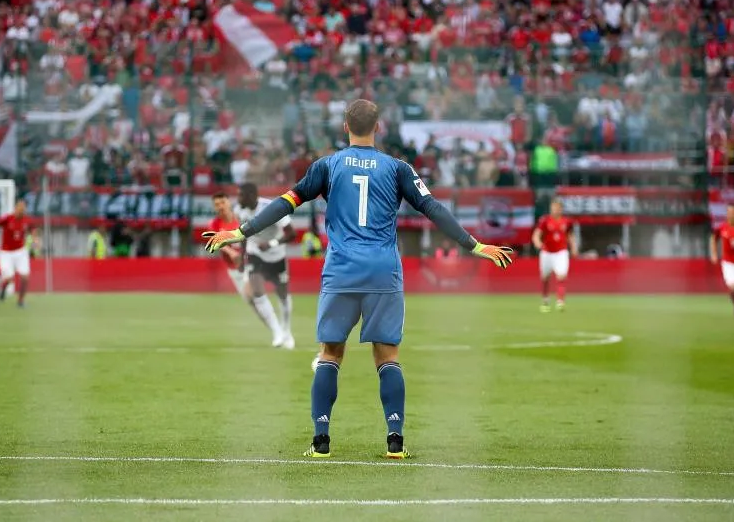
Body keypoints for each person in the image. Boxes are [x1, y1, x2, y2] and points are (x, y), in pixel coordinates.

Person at [203, 99, 514, 459]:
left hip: (342, 271)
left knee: (330, 353)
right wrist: (473, 245)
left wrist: (240, 232)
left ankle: (321, 441)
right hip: (383, 271)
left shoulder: (327, 166)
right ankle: (394, 439)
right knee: (388, 355)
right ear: (378, 127)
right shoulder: (398, 168)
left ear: (345, 127)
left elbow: (285, 204)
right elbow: (433, 208)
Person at [235, 183, 297, 350]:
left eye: (241, 195)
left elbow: (292, 234)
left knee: (283, 295)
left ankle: (286, 331)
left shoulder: (272, 208)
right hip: (255, 254)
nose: (238, 199)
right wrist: (242, 258)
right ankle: (276, 332)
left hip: (276, 256)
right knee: (256, 291)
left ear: (251, 196)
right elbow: (243, 235)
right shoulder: (240, 211)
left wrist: (271, 243)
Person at [0, 200, 40, 308]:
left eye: (24, 208)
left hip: (21, 252)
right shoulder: (7, 218)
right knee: (10, 277)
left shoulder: (26, 220)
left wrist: (35, 240)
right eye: (21, 208)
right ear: (16, 208)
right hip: (6, 253)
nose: (22, 210)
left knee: (25, 277)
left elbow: (33, 230)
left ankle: (20, 301)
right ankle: (3, 288)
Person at [532, 198, 578, 312]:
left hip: (561, 252)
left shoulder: (567, 222)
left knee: (561, 276)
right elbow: (537, 234)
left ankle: (560, 302)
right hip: (547, 252)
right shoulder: (545, 221)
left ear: (561, 209)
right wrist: (537, 242)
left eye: (558, 208)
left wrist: (574, 247)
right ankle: (545, 301)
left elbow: (570, 235)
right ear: (551, 208)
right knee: (545, 278)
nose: (556, 210)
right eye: (554, 207)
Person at [207, 192, 249, 299]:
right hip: (234, 268)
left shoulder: (241, 218)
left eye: (223, 202)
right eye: (217, 204)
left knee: (254, 295)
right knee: (248, 299)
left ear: (229, 203)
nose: (220, 206)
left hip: (250, 263)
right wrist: (232, 253)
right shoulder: (214, 224)